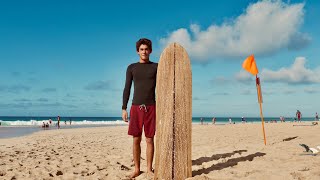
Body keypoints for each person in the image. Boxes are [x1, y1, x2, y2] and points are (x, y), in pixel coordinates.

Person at [122, 38, 157, 178]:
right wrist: (124, 108)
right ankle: (137, 169)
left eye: (146, 49)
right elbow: (127, 88)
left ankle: (149, 169)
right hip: (136, 107)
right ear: (137, 51)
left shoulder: (156, 67)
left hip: (151, 107)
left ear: (150, 51)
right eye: (141, 49)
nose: (144, 51)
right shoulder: (131, 67)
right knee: (136, 139)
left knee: (149, 139)